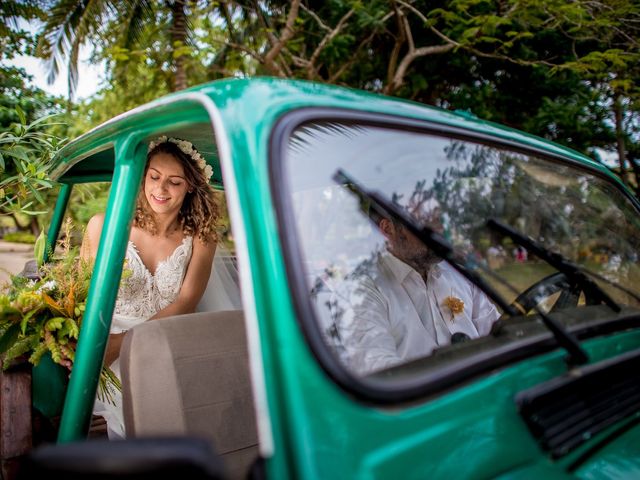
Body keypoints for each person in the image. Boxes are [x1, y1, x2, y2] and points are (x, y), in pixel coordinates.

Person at [80, 135, 219, 439]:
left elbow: (186, 302)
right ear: (142, 176)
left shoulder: (202, 237)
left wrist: (126, 344)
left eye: (174, 182)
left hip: (169, 341)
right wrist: (103, 346)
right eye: (154, 176)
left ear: (191, 186)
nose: (160, 189)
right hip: (106, 344)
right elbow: (81, 297)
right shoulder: (103, 225)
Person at [341, 215, 500, 376]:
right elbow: (380, 371)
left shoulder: (460, 274)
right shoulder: (360, 291)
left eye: (440, 220)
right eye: (427, 222)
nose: (440, 231)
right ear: (387, 229)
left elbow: (498, 336)